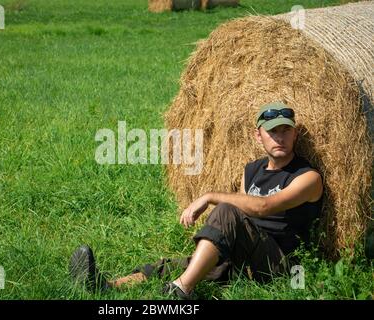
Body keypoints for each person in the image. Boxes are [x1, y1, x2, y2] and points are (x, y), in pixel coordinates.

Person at [69, 101, 324, 299]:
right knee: (179, 265)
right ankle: (104, 286)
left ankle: (182, 291)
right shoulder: (252, 170)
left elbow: (264, 207)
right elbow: (247, 219)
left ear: (294, 135)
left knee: (226, 209)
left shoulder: (307, 177)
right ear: (259, 136)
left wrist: (209, 196)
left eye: (285, 130)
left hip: (283, 267)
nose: (279, 137)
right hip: (245, 258)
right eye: (272, 131)